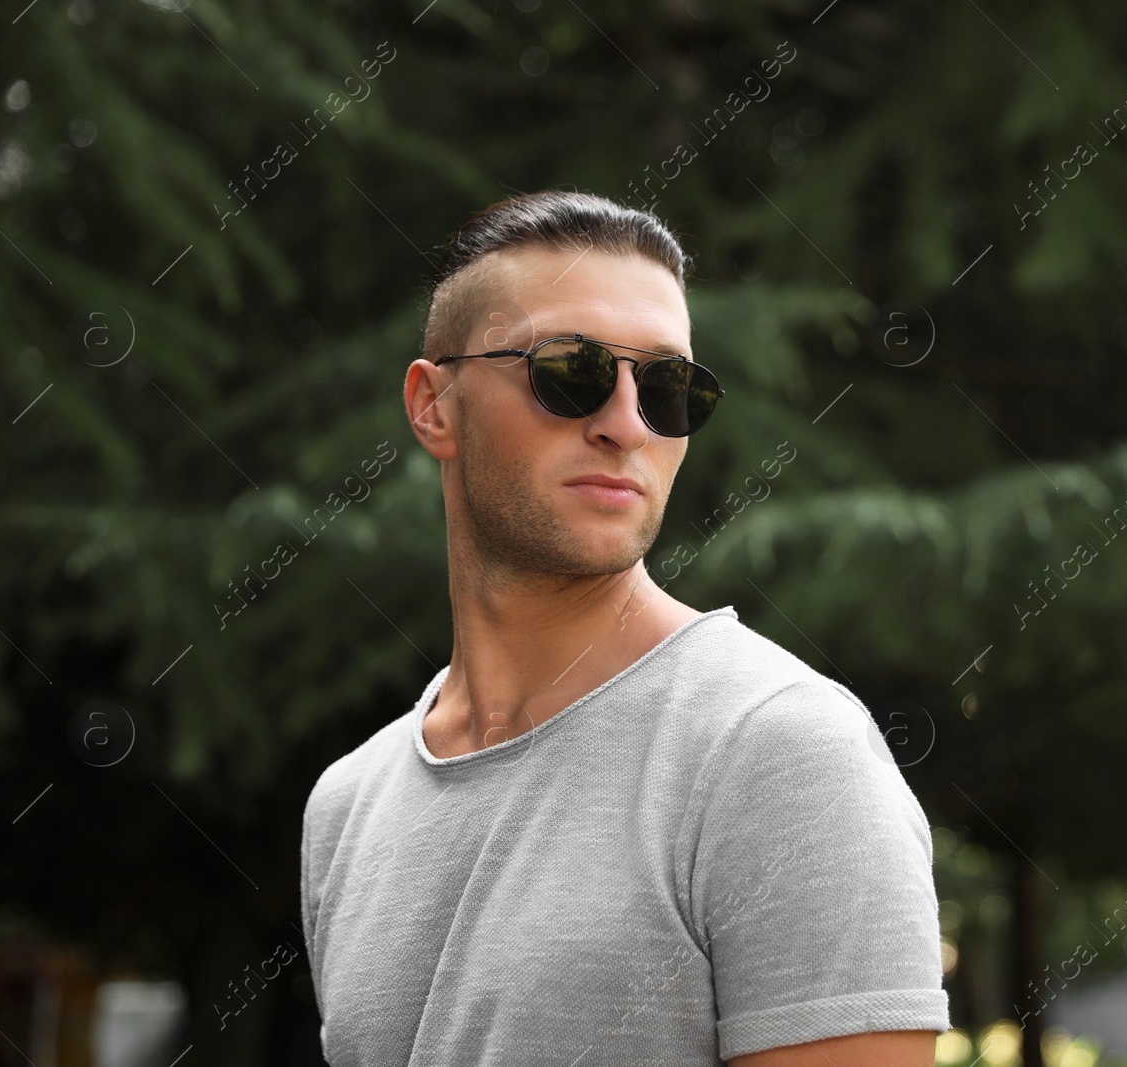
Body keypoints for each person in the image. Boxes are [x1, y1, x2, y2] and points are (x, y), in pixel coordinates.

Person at [299, 190, 948, 1066]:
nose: (627, 422)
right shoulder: (349, 804)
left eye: (669, 385)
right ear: (433, 405)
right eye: (571, 370)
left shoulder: (780, 753)